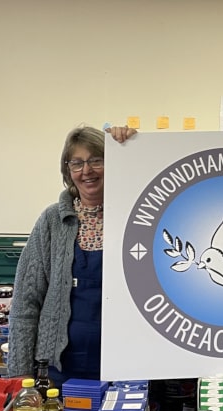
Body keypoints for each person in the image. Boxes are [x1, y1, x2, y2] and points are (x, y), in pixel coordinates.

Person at [8, 124, 135, 385]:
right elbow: (25, 303)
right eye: (76, 163)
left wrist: (132, 148)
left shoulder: (137, 217)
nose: (86, 171)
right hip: (60, 371)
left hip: (125, 368)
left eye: (96, 160)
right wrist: (19, 373)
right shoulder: (52, 221)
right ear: (68, 171)